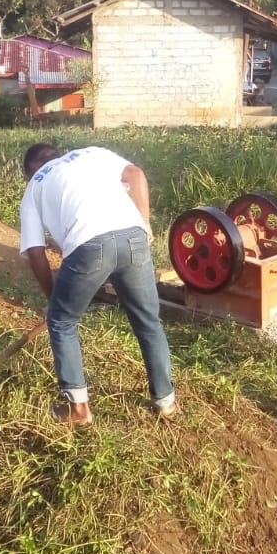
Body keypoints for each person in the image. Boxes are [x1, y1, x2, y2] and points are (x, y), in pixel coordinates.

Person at [19, 144, 177, 426]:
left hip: (88, 246)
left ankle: (78, 410)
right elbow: (136, 174)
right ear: (59, 154)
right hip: (133, 236)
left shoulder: (35, 186)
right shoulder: (91, 153)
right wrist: (144, 224)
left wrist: (53, 298)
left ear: (31, 171)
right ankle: (165, 400)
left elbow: (35, 251)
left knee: (61, 322)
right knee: (148, 321)